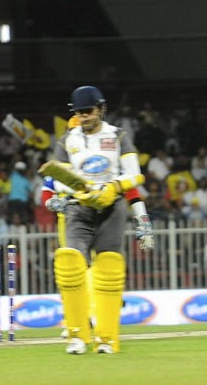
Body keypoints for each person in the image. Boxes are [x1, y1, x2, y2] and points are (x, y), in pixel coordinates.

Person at [44, 85, 152, 355]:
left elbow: (134, 175)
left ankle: (106, 338)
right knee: (72, 263)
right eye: (79, 112)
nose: (84, 117)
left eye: (88, 111)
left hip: (111, 207)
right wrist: (82, 192)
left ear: (101, 108)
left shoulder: (117, 136)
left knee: (107, 267)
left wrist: (112, 189)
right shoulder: (68, 140)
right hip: (78, 208)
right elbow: (60, 180)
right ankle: (78, 336)